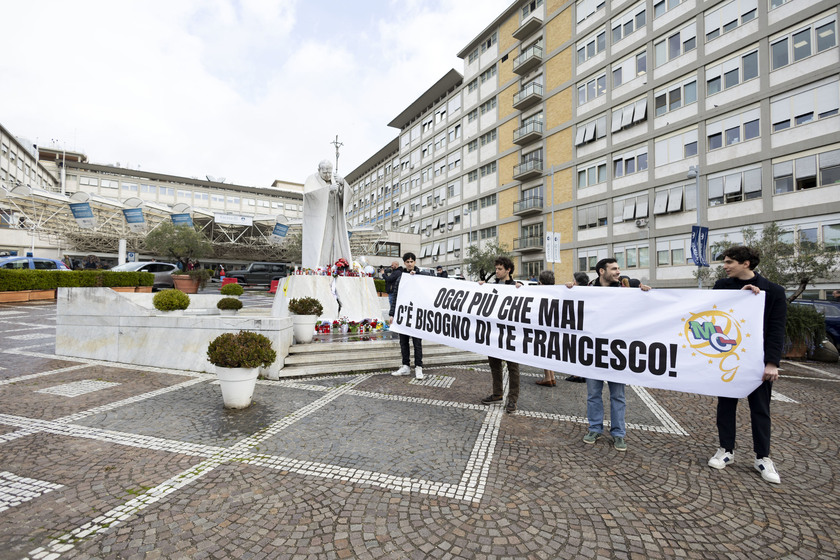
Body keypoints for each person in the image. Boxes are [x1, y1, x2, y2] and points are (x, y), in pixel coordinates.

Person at [707, 246, 787, 484]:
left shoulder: (774, 291)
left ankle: (762, 457)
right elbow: (710, 313)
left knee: (761, 410)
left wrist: (772, 363)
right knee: (725, 405)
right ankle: (726, 450)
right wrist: (739, 299)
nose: (725, 266)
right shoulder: (722, 286)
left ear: (746, 264)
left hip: (758, 361)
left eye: (729, 262)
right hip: (728, 358)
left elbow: (776, 329)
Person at [568, 258, 651, 451]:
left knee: (618, 395)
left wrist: (646, 295)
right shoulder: (586, 290)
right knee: (593, 394)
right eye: (614, 268)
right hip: (593, 350)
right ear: (601, 272)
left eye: (618, 268)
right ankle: (595, 428)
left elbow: (643, 310)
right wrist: (568, 289)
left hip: (617, 352)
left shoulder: (627, 290)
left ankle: (618, 434)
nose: (618, 272)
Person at [479, 256, 523, 413]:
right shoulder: (492, 286)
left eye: (500, 269)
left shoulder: (516, 286)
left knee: (513, 367)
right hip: (494, 333)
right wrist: (480, 287)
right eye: (496, 269)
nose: (496, 272)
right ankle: (497, 394)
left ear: (508, 270)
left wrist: (521, 288)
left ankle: (512, 399)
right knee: (494, 365)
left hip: (511, 334)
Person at [302, 160, 352, 270]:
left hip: (334, 217)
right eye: (325, 173)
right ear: (319, 170)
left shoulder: (334, 178)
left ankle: (334, 265)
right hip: (320, 219)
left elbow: (346, 197)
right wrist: (328, 190)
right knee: (322, 242)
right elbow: (310, 196)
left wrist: (343, 184)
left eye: (330, 172)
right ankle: (320, 266)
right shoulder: (311, 180)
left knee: (334, 242)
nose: (328, 175)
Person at [390, 253, 433, 380]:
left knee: (417, 343)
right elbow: (396, 296)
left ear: (415, 262)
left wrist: (417, 276)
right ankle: (406, 366)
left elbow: (431, 282)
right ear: (404, 263)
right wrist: (392, 314)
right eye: (407, 261)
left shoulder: (421, 275)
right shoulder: (401, 277)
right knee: (403, 342)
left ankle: (419, 367)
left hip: (417, 315)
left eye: (412, 261)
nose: (409, 263)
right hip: (403, 314)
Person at [564, 271, 590, 383]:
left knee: (578, 350)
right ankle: (579, 374)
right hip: (582, 326)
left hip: (580, 326)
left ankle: (578, 374)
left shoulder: (580, 292)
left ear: (576, 281)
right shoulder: (591, 290)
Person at [536, 270, 559, 387]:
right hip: (554, 326)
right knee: (551, 352)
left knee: (544, 352)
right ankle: (552, 377)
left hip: (543, 325)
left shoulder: (540, 292)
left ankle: (547, 377)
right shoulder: (557, 292)